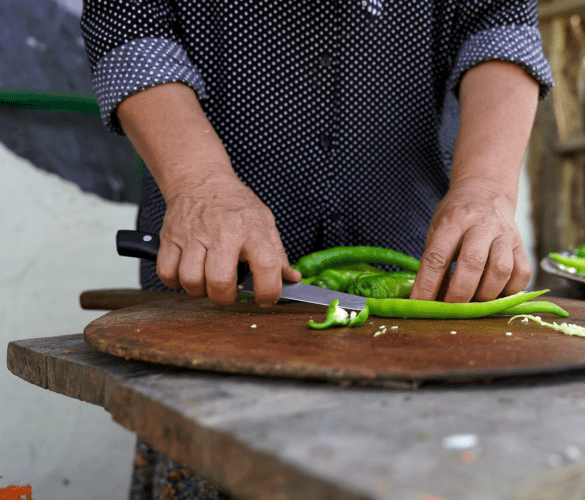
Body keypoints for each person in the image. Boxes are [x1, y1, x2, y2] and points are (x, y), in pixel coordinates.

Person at [82, 1, 552, 498]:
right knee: (211, 468)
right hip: (211, 265)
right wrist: (198, 181)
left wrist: (486, 188)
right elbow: (132, 27)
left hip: (412, 246)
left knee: (410, 467)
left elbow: (498, 25)